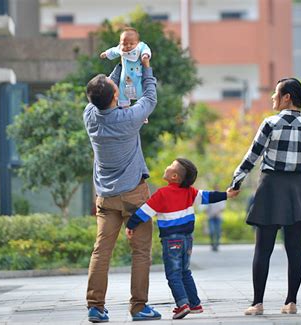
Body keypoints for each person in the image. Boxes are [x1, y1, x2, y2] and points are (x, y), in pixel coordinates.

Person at [231, 78, 301, 316]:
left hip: (271, 187)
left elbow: (252, 157)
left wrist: (236, 181)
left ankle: (257, 303)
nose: (273, 98)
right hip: (299, 189)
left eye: (276, 94)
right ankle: (291, 302)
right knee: (295, 249)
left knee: (262, 249)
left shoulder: (271, 123)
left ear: (287, 97)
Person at [83, 54, 161, 322]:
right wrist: (145, 68)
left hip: (105, 197)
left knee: (101, 250)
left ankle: (95, 306)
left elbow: (106, 89)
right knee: (140, 251)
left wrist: (123, 61)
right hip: (134, 196)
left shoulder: (90, 115)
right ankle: (139, 308)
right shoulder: (130, 118)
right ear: (115, 96)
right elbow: (150, 98)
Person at [125, 158, 239, 319]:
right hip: (187, 239)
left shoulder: (162, 194)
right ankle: (194, 304)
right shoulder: (190, 192)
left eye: (171, 166)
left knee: (173, 274)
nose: (167, 166)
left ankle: (182, 304)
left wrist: (130, 225)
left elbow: (144, 211)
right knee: (185, 271)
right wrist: (227, 195)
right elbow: (208, 196)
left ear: (174, 177)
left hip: (171, 240)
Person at [100, 27, 151, 108]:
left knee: (140, 91)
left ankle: (142, 110)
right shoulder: (120, 49)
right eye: (125, 43)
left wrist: (145, 55)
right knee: (122, 90)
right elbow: (114, 51)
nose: (128, 46)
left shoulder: (140, 46)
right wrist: (106, 53)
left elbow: (146, 49)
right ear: (120, 43)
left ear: (137, 42)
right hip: (125, 76)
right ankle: (125, 107)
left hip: (137, 75)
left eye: (131, 43)